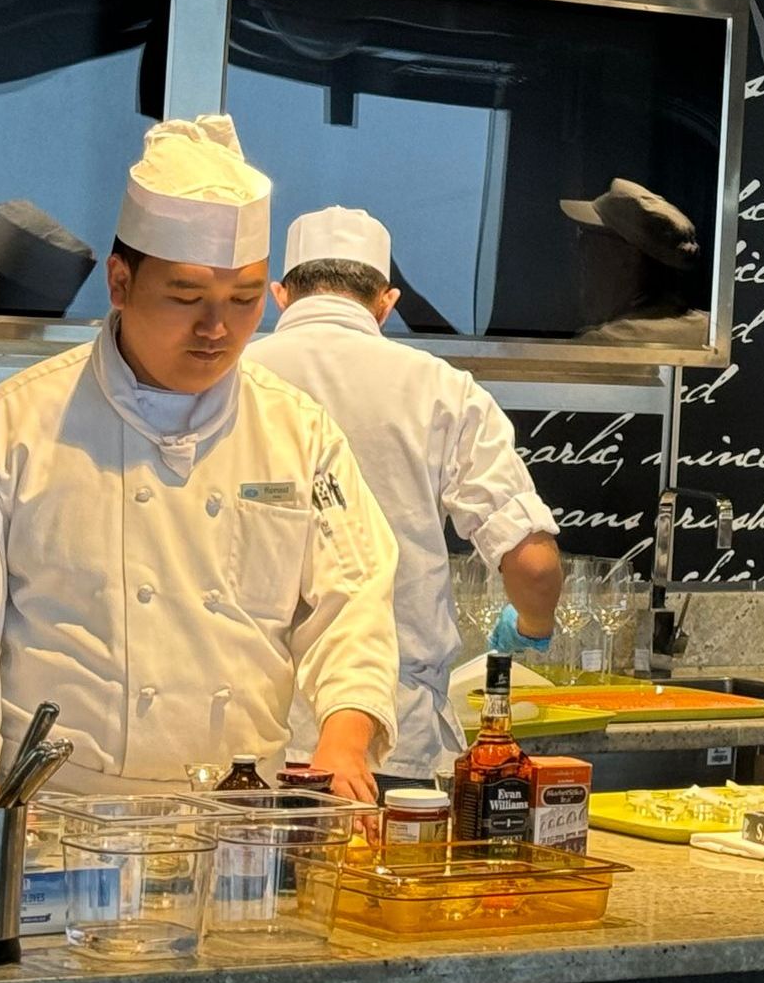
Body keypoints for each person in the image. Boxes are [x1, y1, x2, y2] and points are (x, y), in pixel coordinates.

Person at [0, 116, 400, 799]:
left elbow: (354, 597)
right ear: (119, 284)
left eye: (244, 301)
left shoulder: (297, 432)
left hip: (239, 819)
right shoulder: (19, 425)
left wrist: (345, 734)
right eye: (186, 298)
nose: (217, 329)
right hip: (57, 819)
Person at [245, 206, 562, 794]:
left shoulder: (229, 376)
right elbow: (535, 564)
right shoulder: (442, 390)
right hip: (392, 738)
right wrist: (529, 627)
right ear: (386, 303)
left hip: (244, 742)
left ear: (279, 296)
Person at [558, 178, 709, 346]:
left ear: (629, 258)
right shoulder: (709, 331)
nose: (579, 251)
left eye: (588, 240)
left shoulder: (601, 344)